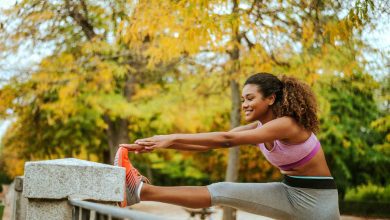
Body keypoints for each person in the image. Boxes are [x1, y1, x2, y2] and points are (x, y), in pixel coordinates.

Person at [115, 72, 340, 219]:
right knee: (221, 190)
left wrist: (172, 137)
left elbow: (226, 139)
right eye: (242, 99)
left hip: (318, 203)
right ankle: (140, 192)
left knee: (223, 189)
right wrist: (159, 144)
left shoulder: (288, 125)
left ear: (271, 98)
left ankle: (140, 191)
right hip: (288, 191)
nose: (244, 105)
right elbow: (214, 143)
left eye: (250, 98)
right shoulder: (259, 129)